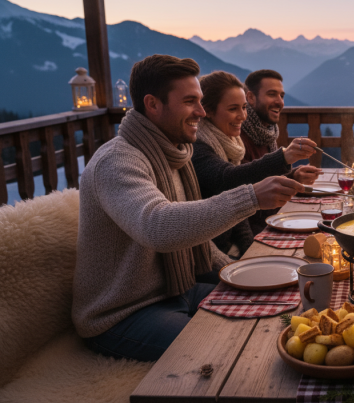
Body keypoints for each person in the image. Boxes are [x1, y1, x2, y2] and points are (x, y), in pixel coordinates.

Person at [73, 55, 306, 362]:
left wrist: (239, 272)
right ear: (153, 104)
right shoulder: (117, 162)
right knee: (229, 346)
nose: (201, 111)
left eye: (200, 101)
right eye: (189, 102)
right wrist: (250, 197)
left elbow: (194, 239)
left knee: (273, 317)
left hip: (177, 289)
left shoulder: (175, 154)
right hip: (125, 312)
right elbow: (158, 227)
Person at [192, 71, 317, 255]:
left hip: (237, 244)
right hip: (215, 255)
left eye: (243, 108)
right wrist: (283, 157)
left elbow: (240, 198)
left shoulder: (230, 143)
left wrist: (292, 175)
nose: (243, 116)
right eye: (233, 109)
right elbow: (228, 178)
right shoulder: (199, 148)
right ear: (207, 111)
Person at [241, 69, 322, 232]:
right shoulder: (239, 135)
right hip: (259, 229)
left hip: (275, 219)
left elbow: (265, 179)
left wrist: (294, 176)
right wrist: (283, 158)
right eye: (272, 94)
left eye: (282, 96)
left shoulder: (266, 132)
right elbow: (242, 190)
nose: (280, 102)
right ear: (250, 98)